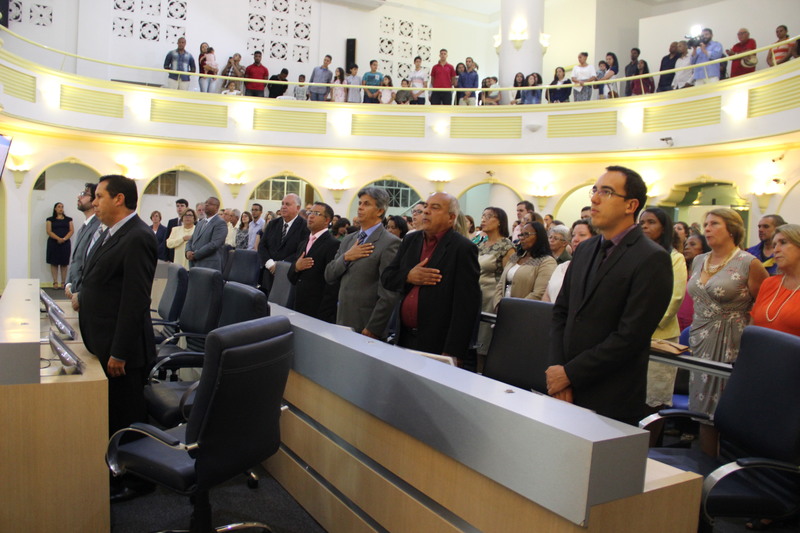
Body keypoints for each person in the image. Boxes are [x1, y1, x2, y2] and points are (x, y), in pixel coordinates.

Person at [546, 166, 673, 425]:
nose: (594, 198)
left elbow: (630, 337)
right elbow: (561, 312)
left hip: (610, 395)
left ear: (631, 205)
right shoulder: (585, 249)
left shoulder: (651, 258)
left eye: (606, 192)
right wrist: (558, 372)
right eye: (595, 190)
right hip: (565, 389)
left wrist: (570, 373)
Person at [74, 174, 157, 501]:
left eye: (100, 196)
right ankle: (117, 470)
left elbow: (135, 299)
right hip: (105, 340)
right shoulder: (111, 233)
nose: (94, 202)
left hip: (123, 350)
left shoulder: (137, 236)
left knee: (127, 417)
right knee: (115, 416)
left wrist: (120, 352)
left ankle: (139, 480)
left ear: (119, 199)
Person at [688, 208, 768, 456]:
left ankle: (730, 470)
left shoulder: (748, 263)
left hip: (730, 339)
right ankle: (705, 468)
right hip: (699, 338)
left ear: (732, 229)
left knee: (725, 411)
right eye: (706, 224)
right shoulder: (699, 260)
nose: (707, 229)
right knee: (702, 411)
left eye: (714, 223)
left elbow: (763, 305)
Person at [382, 192, 481, 367]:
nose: (426, 211)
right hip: (403, 336)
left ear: (451, 218)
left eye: (435, 208)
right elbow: (388, 278)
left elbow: (466, 306)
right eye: (426, 206)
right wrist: (408, 276)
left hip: (437, 341)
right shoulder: (410, 240)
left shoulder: (463, 248)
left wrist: (453, 352)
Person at [324, 187, 400, 340]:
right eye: (359, 203)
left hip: (367, 325)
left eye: (366, 204)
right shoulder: (349, 239)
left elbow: (389, 293)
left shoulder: (390, 243)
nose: (360, 207)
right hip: (343, 319)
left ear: (379, 211)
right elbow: (329, 275)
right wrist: (346, 257)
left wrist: (374, 328)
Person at [639, 208, 687, 425]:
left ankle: (650, 452)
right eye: (642, 222)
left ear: (664, 228)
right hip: (630, 335)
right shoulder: (634, 254)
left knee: (653, 400)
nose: (645, 226)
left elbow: (674, 299)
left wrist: (639, 325)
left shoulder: (675, 258)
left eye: (651, 222)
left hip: (659, 336)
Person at [288, 202, 340, 323]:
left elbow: (332, 284)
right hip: (299, 306)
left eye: (316, 213)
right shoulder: (303, 243)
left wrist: (324, 314)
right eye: (310, 212)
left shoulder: (333, 244)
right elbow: (291, 277)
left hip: (318, 311)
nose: (310, 216)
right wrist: (296, 267)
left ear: (327, 220)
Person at [475, 207, 514, 357]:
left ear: (499, 222)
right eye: (483, 215)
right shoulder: (480, 243)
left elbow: (508, 276)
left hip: (491, 297)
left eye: (489, 216)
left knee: (484, 342)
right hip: (475, 293)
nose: (483, 219)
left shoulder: (507, 246)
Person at [751, 224, 800, 336]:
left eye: (783, 242)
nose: (776, 250)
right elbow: (752, 326)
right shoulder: (769, 283)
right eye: (774, 245)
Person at [493, 220, 556, 308]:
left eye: (526, 234)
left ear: (539, 236)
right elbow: (501, 283)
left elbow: (539, 293)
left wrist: (515, 309)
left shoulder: (546, 261)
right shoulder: (516, 256)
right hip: (503, 309)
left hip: (525, 312)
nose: (522, 238)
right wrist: (498, 304)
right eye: (521, 234)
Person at [257, 193, 309, 292]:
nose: (283, 207)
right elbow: (262, 246)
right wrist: (269, 263)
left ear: (297, 208)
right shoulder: (273, 224)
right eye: (282, 204)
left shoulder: (304, 227)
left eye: (288, 204)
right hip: (269, 273)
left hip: (288, 274)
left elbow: (301, 251)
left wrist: (280, 265)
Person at [543, 219, 596, 303]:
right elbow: (547, 295)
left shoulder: (596, 268)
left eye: (582, 235)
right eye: (573, 235)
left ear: (595, 238)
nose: (575, 239)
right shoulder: (562, 267)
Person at [64, 183, 100, 298]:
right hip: (76, 288)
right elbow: (76, 259)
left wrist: (80, 293)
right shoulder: (84, 227)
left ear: (95, 200)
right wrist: (69, 283)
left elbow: (89, 263)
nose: (79, 197)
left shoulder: (98, 227)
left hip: (84, 291)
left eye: (84, 194)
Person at [677, 233, 710, 331]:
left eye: (693, 244)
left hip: (696, 322)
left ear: (703, 248)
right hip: (678, 321)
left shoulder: (707, 274)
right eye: (686, 244)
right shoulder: (681, 270)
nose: (687, 247)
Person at [185, 197, 227, 271]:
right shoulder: (200, 223)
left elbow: (214, 244)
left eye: (210, 204)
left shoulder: (220, 223)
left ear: (216, 208)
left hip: (209, 265)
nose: (206, 205)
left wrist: (195, 255)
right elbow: (191, 240)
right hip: (195, 264)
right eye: (206, 203)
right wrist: (188, 251)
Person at [46, 202, 74, 289]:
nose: (61, 208)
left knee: (64, 263)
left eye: (62, 207)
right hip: (53, 243)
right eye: (59, 207)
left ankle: (63, 282)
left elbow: (71, 230)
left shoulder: (68, 219)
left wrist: (64, 239)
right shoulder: (50, 219)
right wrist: (58, 238)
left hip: (65, 243)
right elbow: (48, 231)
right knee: (54, 263)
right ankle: (55, 282)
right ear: (55, 209)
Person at [165, 198, 188, 262]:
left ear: (187, 208)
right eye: (177, 206)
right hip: (173, 255)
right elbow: (167, 239)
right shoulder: (171, 222)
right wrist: (166, 258)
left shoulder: (193, 222)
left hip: (185, 255)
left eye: (182, 206)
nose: (179, 208)